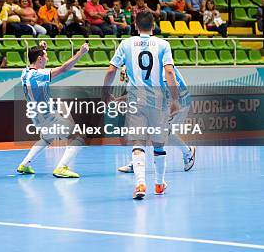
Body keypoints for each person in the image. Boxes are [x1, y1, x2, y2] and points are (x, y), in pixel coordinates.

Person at [103, 12, 180, 199]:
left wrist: (105, 92)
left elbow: (112, 69)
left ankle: (140, 184)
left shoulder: (126, 44)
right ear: (153, 26)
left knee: (138, 143)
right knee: (158, 144)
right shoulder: (163, 45)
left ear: (136, 26)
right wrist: (175, 99)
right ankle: (159, 185)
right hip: (158, 101)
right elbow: (169, 72)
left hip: (136, 100)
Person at [16, 41, 90, 177]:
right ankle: (61, 168)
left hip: (36, 118)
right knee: (79, 137)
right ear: (39, 59)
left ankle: (24, 165)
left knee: (46, 138)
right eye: (46, 56)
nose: (48, 58)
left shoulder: (25, 73)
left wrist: (41, 49)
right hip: (48, 117)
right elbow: (64, 69)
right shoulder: (39, 76)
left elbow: (35, 62)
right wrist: (80, 53)